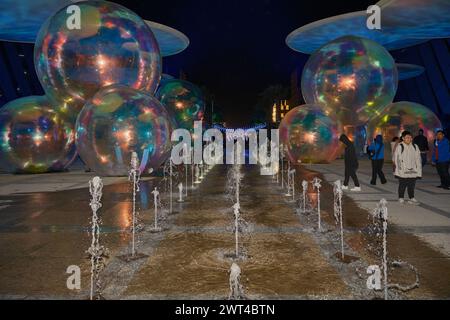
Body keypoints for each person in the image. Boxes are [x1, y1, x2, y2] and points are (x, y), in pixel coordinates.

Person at [393, 131, 422, 204]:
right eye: (407, 137)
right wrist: (400, 170)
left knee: (411, 185)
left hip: (413, 170)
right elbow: (397, 159)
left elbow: (418, 159)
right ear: (403, 138)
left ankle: (411, 197)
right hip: (403, 170)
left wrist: (419, 170)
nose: (409, 139)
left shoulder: (415, 146)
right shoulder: (400, 146)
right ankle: (401, 198)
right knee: (402, 184)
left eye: (410, 137)